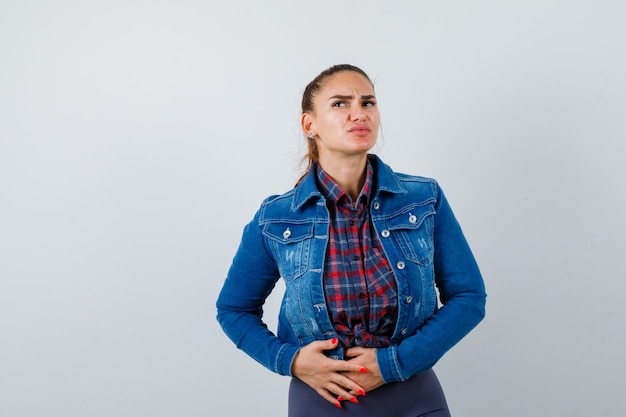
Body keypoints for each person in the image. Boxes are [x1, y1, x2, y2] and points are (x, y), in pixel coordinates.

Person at [216, 64, 486, 416]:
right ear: (309, 125)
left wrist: (396, 362)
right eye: (340, 104)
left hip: (414, 396)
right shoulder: (276, 217)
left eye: (368, 103)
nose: (358, 113)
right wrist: (291, 361)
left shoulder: (423, 198)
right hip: (324, 399)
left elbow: (469, 296)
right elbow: (234, 309)